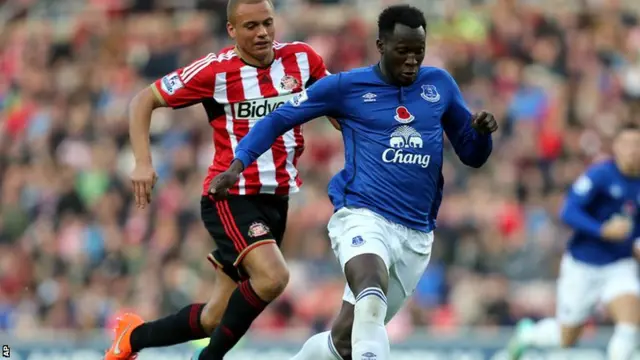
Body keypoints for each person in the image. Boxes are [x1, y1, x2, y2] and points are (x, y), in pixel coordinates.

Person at [209, 5, 498, 360]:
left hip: (417, 235)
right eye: (402, 51)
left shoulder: (438, 85)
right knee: (370, 287)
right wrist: (238, 165)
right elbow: (279, 118)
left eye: (418, 52)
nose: (411, 61)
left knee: (344, 341)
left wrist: (481, 134)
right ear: (381, 45)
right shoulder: (347, 87)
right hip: (362, 215)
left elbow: (472, 155)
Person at [104, 0, 335, 359]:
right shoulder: (215, 70)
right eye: (251, 26)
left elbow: (339, 109)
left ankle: (131, 338)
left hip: (278, 197)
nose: (262, 33)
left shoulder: (303, 59)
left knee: (214, 317)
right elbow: (142, 100)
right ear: (232, 30)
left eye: (268, 23)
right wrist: (142, 162)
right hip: (230, 195)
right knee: (273, 277)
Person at [508, 123, 640, 360]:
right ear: (617, 148)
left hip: (619, 265)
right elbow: (568, 211)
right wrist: (602, 230)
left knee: (631, 324)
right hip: (583, 265)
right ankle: (528, 335)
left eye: (637, 145)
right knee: (566, 337)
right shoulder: (600, 175)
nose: (633, 150)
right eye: (628, 144)